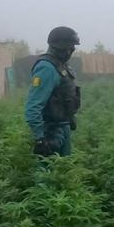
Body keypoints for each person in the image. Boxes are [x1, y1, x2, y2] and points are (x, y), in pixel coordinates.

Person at [25, 26, 82, 157]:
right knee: (48, 173)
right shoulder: (47, 68)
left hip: (63, 127)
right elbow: (33, 107)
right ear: (61, 47)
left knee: (63, 171)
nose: (72, 50)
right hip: (51, 131)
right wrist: (40, 139)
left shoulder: (62, 66)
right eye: (70, 46)